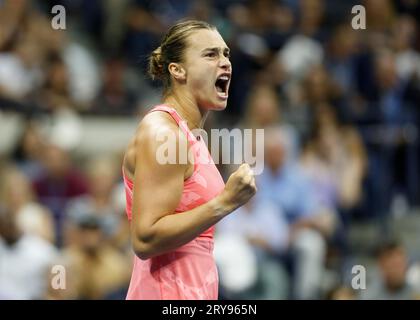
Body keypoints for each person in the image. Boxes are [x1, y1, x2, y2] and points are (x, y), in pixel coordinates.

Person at [121, 20, 256, 300]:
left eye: (226, 54)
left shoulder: (190, 136)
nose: (225, 63)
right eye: (210, 54)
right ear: (177, 70)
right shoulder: (163, 132)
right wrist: (225, 202)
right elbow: (145, 238)